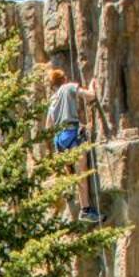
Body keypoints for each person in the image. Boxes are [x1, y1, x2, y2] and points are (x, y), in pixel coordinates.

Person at [44, 65, 101, 222]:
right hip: (71, 135)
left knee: (74, 176)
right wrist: (92, 85)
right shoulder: (69, 87)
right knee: (82, 173)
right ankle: (86, 209)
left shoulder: (52, 101)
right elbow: (90, 96)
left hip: (59, 141)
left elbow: (48, 127)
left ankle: (74, 198)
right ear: (64, 79)